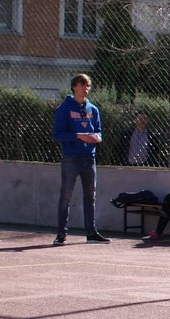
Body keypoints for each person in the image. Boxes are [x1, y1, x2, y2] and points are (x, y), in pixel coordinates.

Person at [52, 73, 106, 245]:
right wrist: (79, 136)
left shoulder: (93, 109)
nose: (85, 89)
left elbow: (98, 132)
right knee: (66, 196)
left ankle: (91, 232)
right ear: (74, 86)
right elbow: (58, 134)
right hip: (71, 158)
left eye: (87, 86)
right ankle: (61, 233)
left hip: (89, 158)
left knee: (90, 196)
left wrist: (96, 138)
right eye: (83, 85)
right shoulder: (64, 109)